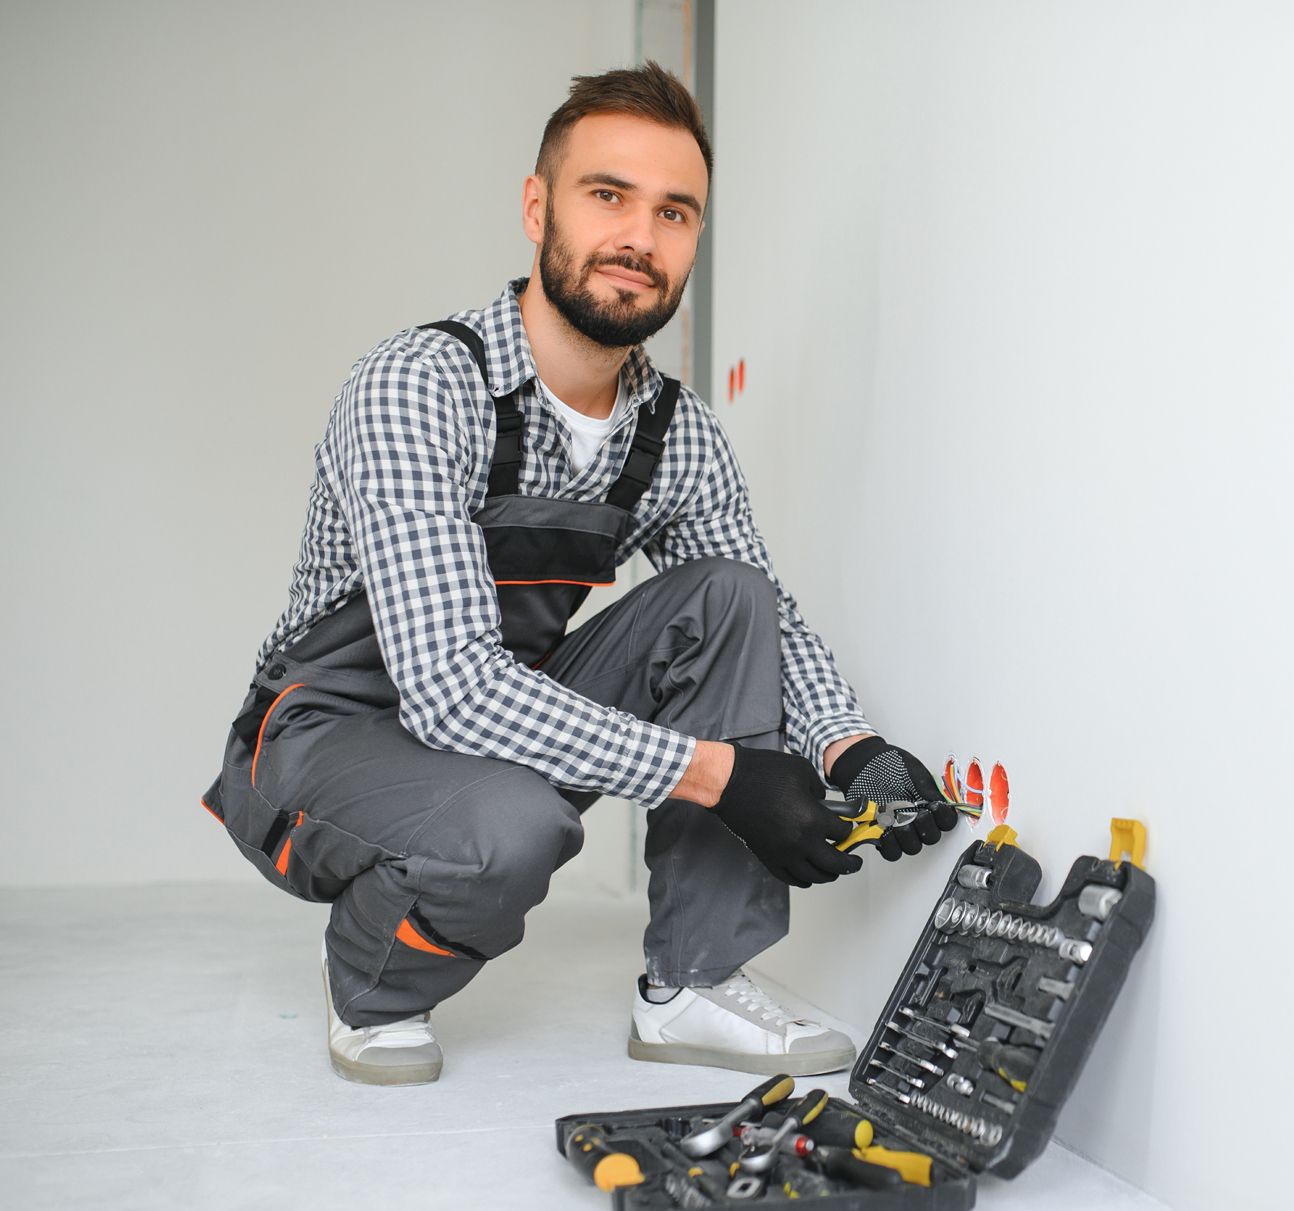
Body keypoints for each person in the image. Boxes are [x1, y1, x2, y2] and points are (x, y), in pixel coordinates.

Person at [201, 63, 956, 1087]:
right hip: (323, 741)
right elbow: (450, 687)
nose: (640, 238)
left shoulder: (676, 433)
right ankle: (373, 981)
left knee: (727, 595)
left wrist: (850, 746)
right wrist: (726, 778)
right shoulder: (419, 387)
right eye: (608, 196)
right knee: (508, 831)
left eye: (675, 212)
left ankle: (694, 982)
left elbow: (760, 613)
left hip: (486, 732)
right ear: (536, 206)